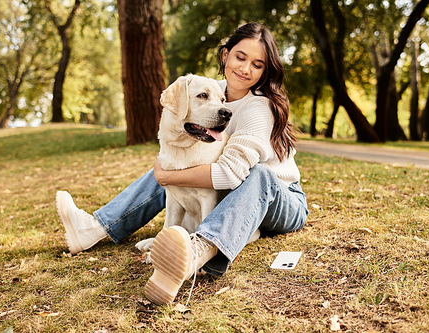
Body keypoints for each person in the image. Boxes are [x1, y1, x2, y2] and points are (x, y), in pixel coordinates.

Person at [56, 22, 309, 305]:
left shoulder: (260, 107)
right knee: (174, 164)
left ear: (265, 70)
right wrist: (168, 167)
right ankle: (93, 229)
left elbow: (230, 174)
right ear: (225, 55)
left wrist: (167, 176)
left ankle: (195, 252)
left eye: (258, 65)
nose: (246, 69)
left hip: (280, 199)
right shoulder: (211, 90)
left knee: (250, 173)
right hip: (237, 200)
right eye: (240, 57)